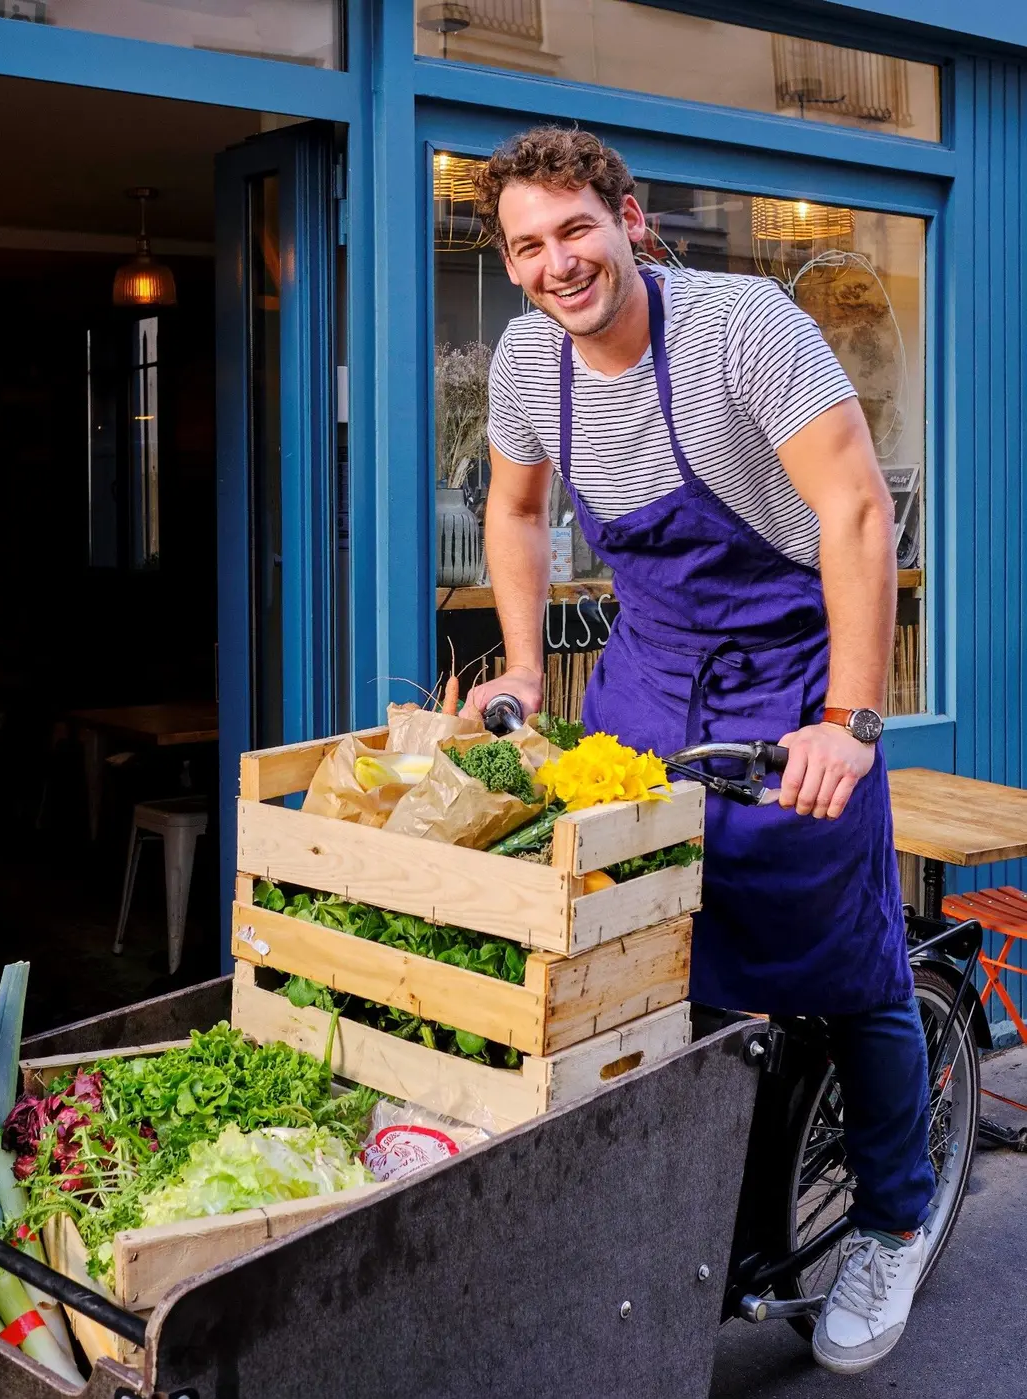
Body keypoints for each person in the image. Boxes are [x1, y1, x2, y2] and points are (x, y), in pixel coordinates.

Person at [462, 126, 934, 1375]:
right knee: (642, 946)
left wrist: (849, 718)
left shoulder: (743, 327)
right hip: (650, 671)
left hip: (795, 665)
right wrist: (519, 668)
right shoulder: (527, 360)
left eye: (575, 229)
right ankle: (681, 1206)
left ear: (628, 217)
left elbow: (856, 512)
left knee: (843, 958)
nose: (557, 263)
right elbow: (515, 510)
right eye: (528, 244)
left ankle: (892, 1212)